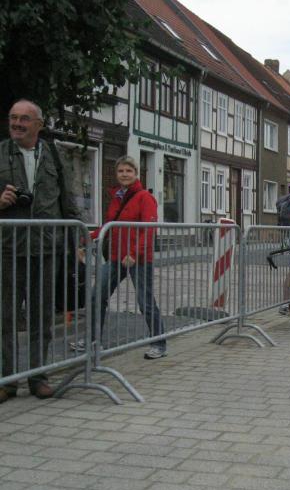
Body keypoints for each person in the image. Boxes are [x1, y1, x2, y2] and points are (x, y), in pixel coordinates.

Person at [1, 99, 81, 403]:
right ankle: (7, 380)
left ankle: (38, 377)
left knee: (42, 317)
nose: (17, 123)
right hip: (8, 248)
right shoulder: (0, 152)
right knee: (5, 318)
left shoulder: (54, 155)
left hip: (47, 248)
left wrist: (78, 238)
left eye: (24, 119)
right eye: (13, 117)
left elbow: (67, 199)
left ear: (39, 124)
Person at [72, 156, 166, 359]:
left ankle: (159, 343)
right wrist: (86, 240)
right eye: (121, 171)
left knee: (145, 302)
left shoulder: (145, 197)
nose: (124, 174)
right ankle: (93, 340)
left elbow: (149, 229)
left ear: (136, 174)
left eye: (128, 171)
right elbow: (109, 225)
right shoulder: (117, 197)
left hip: (139, 259)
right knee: (97, 295)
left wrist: (134, 253)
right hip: (116, 257)